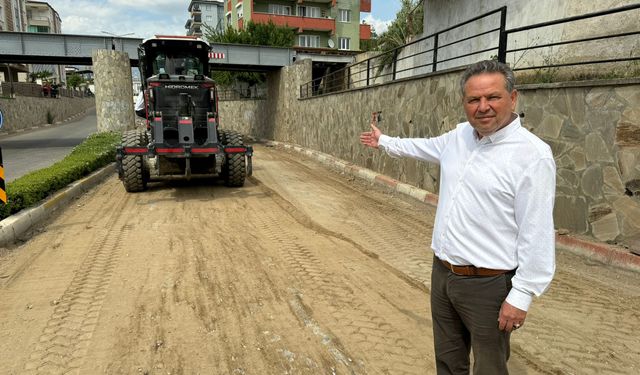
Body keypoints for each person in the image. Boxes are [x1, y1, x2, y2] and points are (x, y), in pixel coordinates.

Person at [360, 60, 556, 375]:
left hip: (489, 284)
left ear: (513, 98)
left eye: (492, 97)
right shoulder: (459, 136)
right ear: (464, 103)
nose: (483, 107)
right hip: (443, 273)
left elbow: (538, 232)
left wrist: (522, 294)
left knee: (490, 367)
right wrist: (385, 142)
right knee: (448, 361)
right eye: (473, 100)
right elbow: (423, 147)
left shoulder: (532, 156)